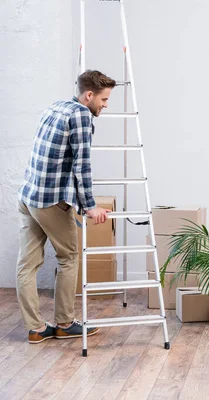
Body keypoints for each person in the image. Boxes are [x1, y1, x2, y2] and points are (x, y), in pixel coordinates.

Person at [16, 70, 116, 343]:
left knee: (27, 264)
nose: (105, 105)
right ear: (89, 95)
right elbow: (82, 165)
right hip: (51, 201)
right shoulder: (82, 115)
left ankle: (35, 328)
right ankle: (64, 323)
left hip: (29, 196)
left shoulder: (56, 106)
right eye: (104, 100)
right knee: (69, 257)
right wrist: (91, 206)